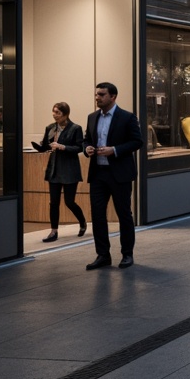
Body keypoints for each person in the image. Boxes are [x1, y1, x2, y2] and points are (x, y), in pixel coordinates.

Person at [83, 82, 144, 270]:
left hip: (120, 174)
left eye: (102, 94)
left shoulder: (127, 117)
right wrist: (87, 148)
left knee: (124, 215)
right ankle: (103, 255)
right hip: (98, 174)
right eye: (96, 94)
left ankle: (127, 254)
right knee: (98, 216)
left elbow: (137, 142)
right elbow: (86, 139)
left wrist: (114, 150)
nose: (97, 97)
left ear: (113, 97)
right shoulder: (92, 117)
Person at [32, 102, 86, 242]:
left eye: (58, 113)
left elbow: (80, 148)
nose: (54, 115)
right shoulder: (50, 128)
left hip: (69, 169)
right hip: (54, 168)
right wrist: (39, 147)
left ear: (66, 114)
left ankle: (82, 222)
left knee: (69, 202)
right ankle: (53, 231)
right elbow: (46, 146)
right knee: (53, 202)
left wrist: (62, 147)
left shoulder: (75, 128)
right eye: (53, 112)